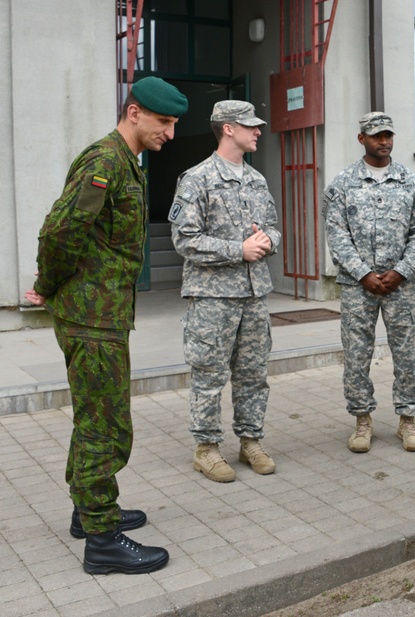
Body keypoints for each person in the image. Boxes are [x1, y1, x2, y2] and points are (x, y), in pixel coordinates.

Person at [25, 76, 187, 574]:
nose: (170, 134)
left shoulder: (127, 163)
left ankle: (88, 511)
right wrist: (48, 285)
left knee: (95, 417)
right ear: (134, 112)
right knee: (106, 426)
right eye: (164, 122)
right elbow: (60, 231)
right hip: (91, 317)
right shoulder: (105, 162)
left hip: (103, 313)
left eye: (174, 124)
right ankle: (102, 541)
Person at [169, 100, 280, 483]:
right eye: (250, 126)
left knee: (253, 374)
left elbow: (273, 227)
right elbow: (185, 239)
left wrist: (268, 241)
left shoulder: (256, 180)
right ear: (228, 128)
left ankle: (251, 441)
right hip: (212, 298)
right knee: (209, 375)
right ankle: (207, 449)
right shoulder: (196, 179)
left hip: (254, 294)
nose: (258, 131)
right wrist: (238, 250)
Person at [324, 112, 415, 453]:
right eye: (376, 136)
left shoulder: (410, 182)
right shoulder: (343, 184)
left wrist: (401, 271)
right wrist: (363, 273)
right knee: (357, 355)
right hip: (358, 287)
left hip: (402, 285)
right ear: (362, 139)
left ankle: (408, 419)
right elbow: (336, 234)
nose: (384, 141)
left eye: (388, 135)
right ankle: (362, 419)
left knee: (407, 353)